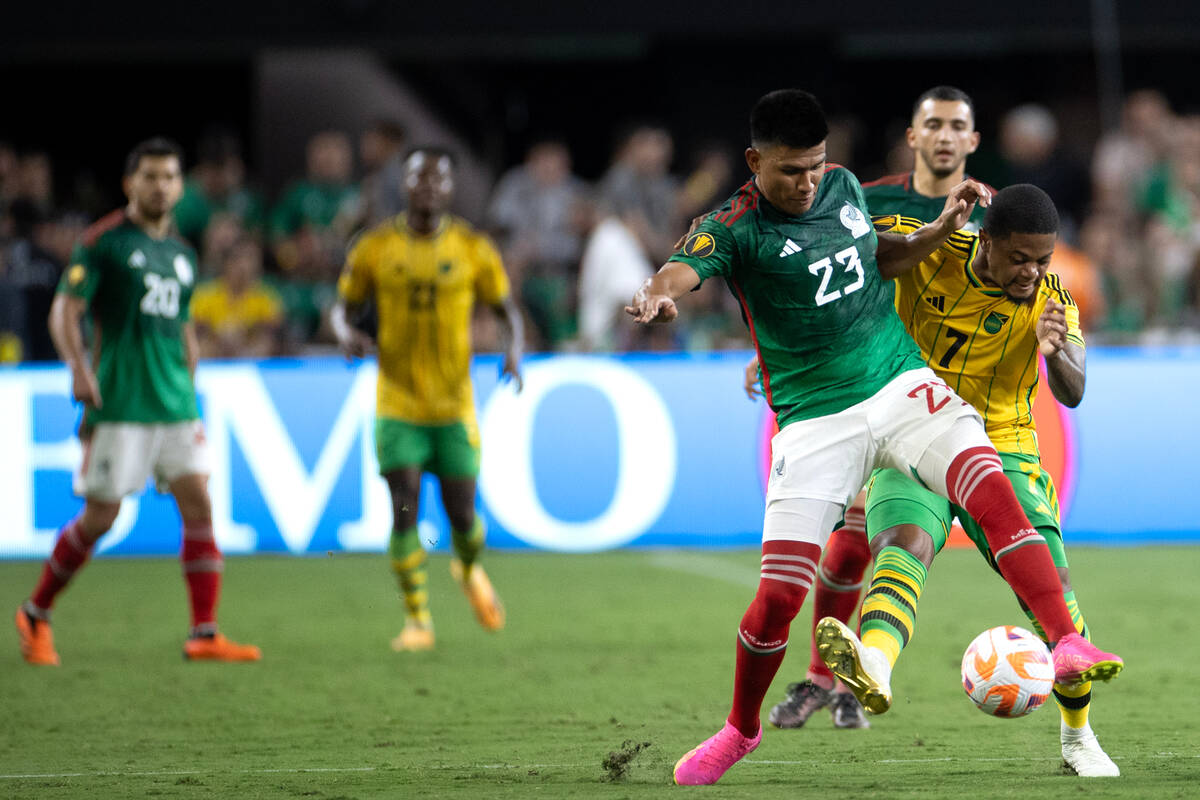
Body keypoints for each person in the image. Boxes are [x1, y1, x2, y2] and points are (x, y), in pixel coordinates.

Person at [624, 89, 1122, 787]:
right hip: (816, 420)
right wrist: (659, 290)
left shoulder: (844, 188)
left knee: (986, 480)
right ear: (754, 161)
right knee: (777, 600)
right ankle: (741, 728)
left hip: (898, 382)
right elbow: (686, 265)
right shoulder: (734, 225)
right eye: (792, 172)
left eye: (816, 167)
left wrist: (931, 232)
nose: (807, 184)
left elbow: (878, 256)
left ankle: (1066, 642)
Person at [815, 184, 1120, 777]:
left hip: (1002, 444)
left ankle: (1078, 737)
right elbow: (855, 255)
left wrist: (1055, 352)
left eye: (1043, 259)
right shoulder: (931, 253)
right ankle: (874, 666)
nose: (1032, 271)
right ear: (986, 240)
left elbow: (1075, 391)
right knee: (904, 545)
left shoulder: (1051, 298)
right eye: (1020, 258)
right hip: (913, 434)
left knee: (1051, 588)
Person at [767, 85, 994, 731]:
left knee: (900, 544)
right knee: (845, 551)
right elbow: (819, 278)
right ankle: (828, 681)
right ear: (913, 136)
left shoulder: (993, 211)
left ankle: (843, 676)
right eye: (934, 125)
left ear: (973, 141)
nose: (946, 136)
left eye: (958, 126)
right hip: (870, 384)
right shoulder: (864, 197)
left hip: (946, 402)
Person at [14, 137, 261, 666]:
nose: (160, 186)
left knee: (200, 504)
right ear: (130, 184)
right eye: (149, 176)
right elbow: (65, 311)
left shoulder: (182, 254)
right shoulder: (103, 242)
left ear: (179, 185)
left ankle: (205, 632)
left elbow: (184, 329)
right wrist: (79, 370)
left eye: (170, 177)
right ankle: (35, 613)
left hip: (175, 406)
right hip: (122, 403)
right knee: (100, 517)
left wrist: (190, 387)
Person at [331, 146, 524, 653]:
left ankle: (467, 566)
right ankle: (417, 619)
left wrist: (514, 350)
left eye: (439, 179)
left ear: (450, 187)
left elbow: (506, 310)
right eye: (419, 177)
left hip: (454, 405)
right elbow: (341, 306)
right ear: (405, 182)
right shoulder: (373, 247)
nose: (429, 187)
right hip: (397, 403)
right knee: (404, 508)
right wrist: (344, 332)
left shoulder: (472, 247)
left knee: (462, 515)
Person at [191, 235, 284, 359]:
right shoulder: (205, 294)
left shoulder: (267, 297)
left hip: (249, 352)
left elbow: (273, 331)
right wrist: (218, 336)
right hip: (216, 351)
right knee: (203, 345)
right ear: (226, 263)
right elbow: (195, 330)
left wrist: (244, 334)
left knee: (264, 344)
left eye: (250, 259)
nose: (244, 266)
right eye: (238, 259)